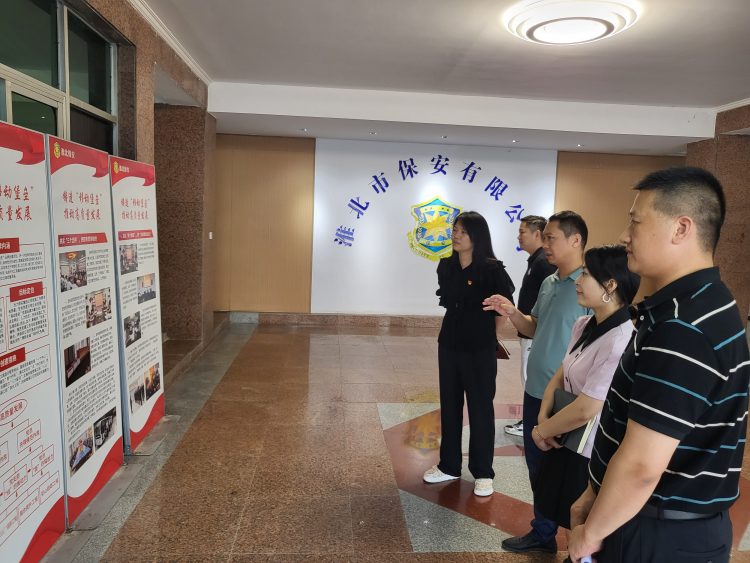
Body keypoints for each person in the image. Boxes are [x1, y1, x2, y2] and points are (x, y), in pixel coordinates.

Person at [568, 167, 750, 563]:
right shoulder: (706, 301)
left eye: (635, 222)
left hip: (658, 533)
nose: (624, 236)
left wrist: (591, 533)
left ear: (681, 228)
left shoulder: (684, 327)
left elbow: (642, 466)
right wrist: (593, 492)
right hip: (658, 521)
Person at [483, 210, 590, 553]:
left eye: (551, 238)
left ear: (575, 240)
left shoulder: (589, 286)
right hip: (535, 391)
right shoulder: (549, 282)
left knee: (569, 471)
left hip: (567, 398)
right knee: (537, 466)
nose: (545, 244)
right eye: (543, 238)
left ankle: (579, 543)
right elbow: (534, 327)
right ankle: (543, 533)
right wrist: (512, 312)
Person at [531, 245, 639, 550]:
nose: (578, 281)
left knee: (579, 521)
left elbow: (587, 408)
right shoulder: (583, 325)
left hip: (589, 448)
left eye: (587, 274)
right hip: (564, 436)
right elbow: (561, 372)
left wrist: (542, 431)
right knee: (561, 510)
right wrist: (544, 415)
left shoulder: (620, 340)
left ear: (611, 285)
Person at [423, 211, 515, 497]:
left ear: (477, 236)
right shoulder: (446, 265)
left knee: (480, 408)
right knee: (449, 404)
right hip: (449, 344)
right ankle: (449, 465)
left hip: (479, 348)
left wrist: (489, 337)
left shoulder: (492, 269)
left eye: (462, 231)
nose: (456, 235)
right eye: (455, 230)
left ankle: (483, 471)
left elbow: (502, 310)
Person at [505, 215, 556, 437]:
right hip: (527, 328)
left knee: (530, 378)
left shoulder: (543, 263)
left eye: (522, 232)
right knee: (527, 376)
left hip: (534, 332)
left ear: (537, 234)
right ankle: (530, 419)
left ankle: (534, 421)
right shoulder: (536, 261)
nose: (519, 236)